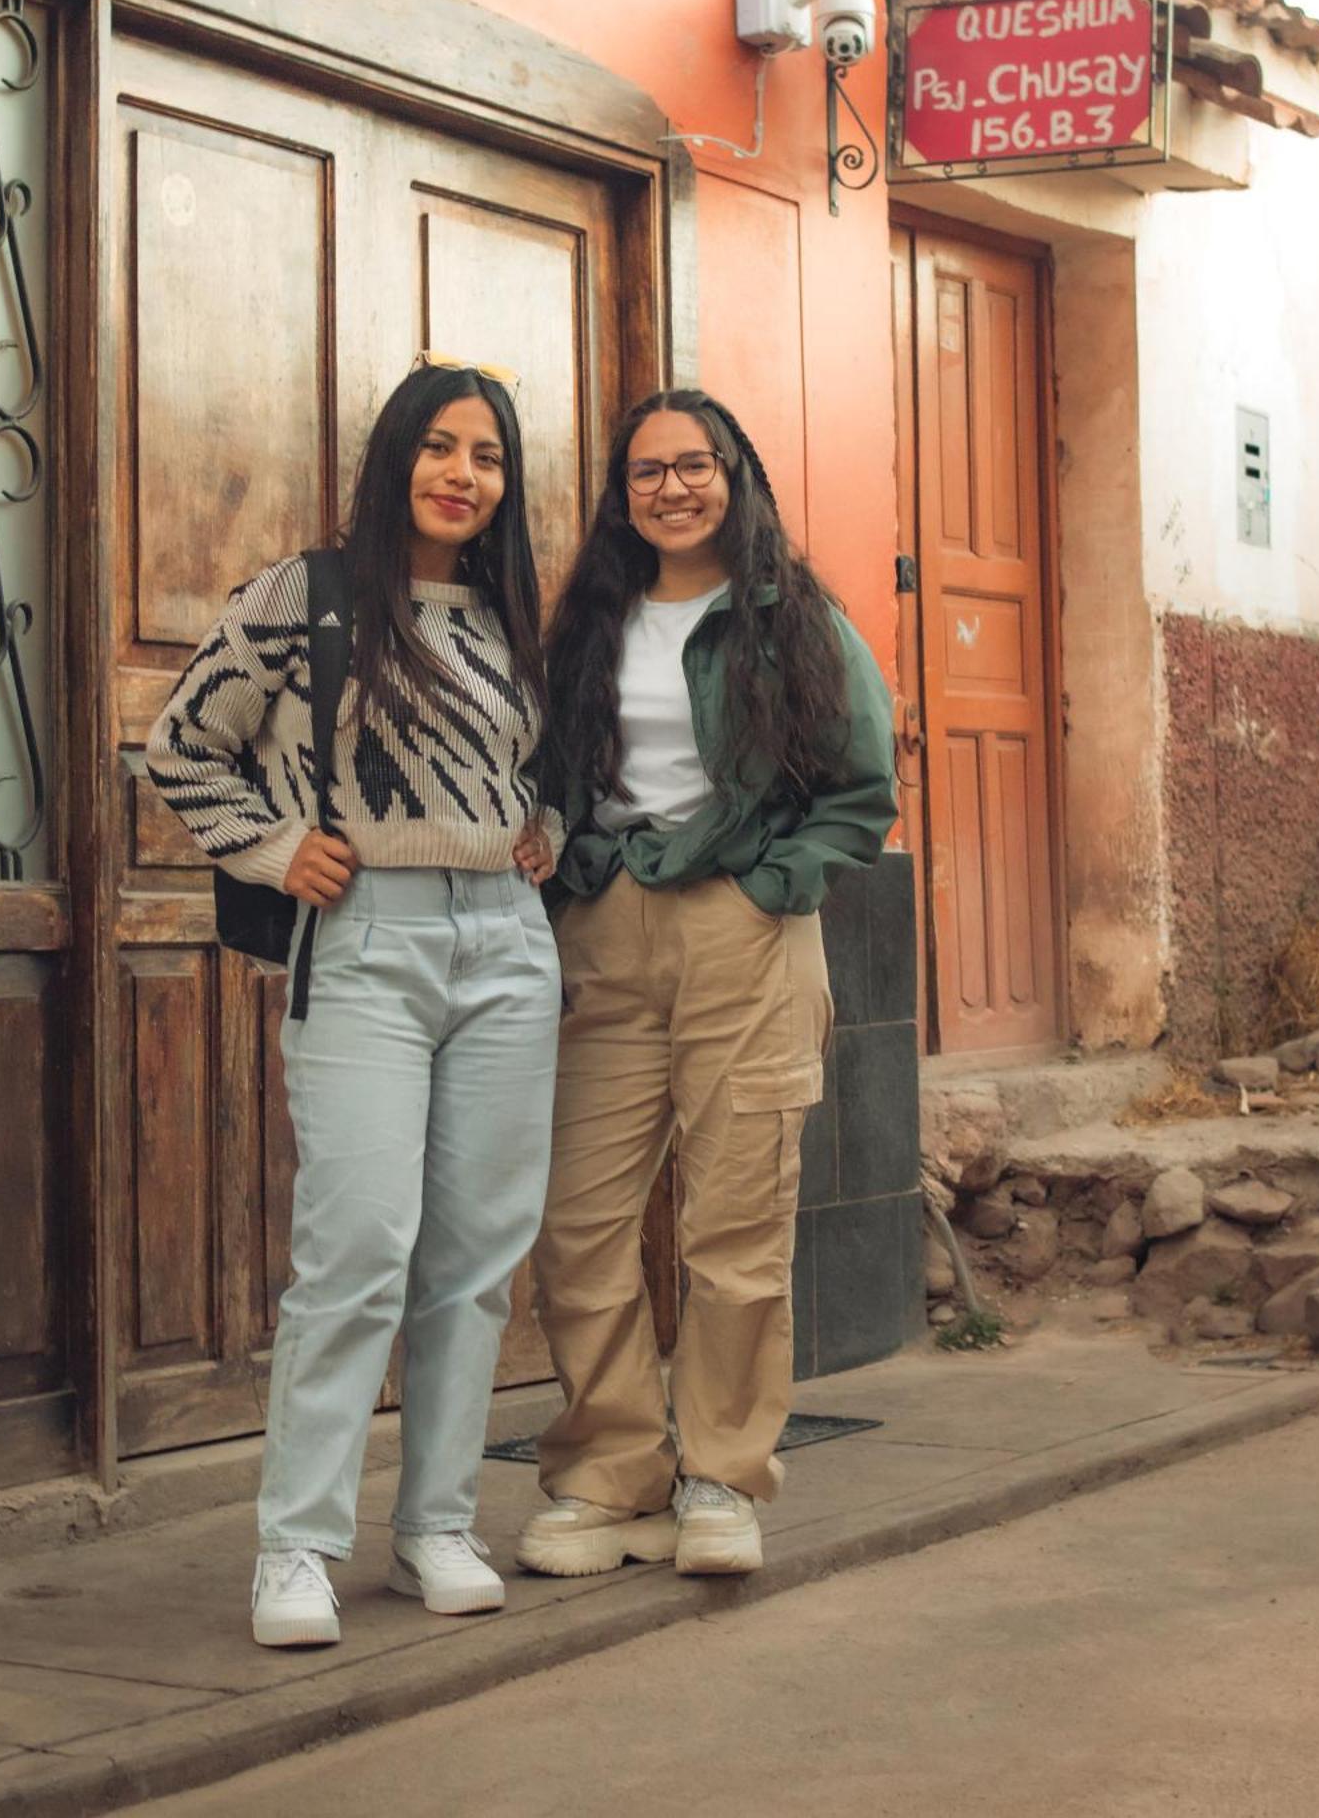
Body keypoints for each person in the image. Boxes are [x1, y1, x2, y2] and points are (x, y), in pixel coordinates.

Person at [147, 359, 561, 1647]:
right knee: (359, 1250)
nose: (462, 473)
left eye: (486, 456)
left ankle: (436, 1522)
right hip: (365, 942)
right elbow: (179, 745)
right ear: (395, 460)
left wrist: (537, 822)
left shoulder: (512, 614)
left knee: (478, 1258)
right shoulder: (307, 595)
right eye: (439, 447)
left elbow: (532, 766)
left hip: (507, 944)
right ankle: (297, 1547)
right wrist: (275, 849)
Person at [517, 387, 896, 1581]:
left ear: (736, 475)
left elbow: (861, 788)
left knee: (735, 1223)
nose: (671, 487)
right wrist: (565, 861)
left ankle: (721, 1477)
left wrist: (773, 883)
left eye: (695, 465)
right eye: (646, 472)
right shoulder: (585, 621)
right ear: (620, 494)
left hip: (745, 929)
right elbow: (545, 767)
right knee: (578, 1221)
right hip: (602, 929)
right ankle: (610, 1475)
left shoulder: (796, 620)